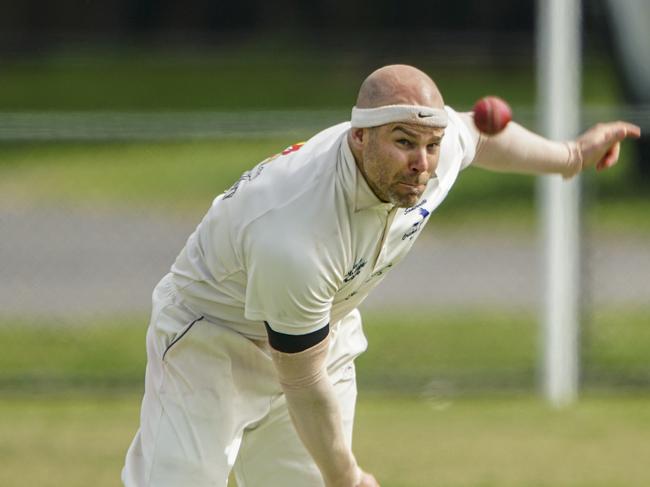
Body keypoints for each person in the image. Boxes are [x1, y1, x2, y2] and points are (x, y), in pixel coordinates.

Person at [122, 64, 640, 487]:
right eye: (403, 142)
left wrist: (571, 156)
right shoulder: (296, 232)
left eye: (431, 145)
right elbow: (299, 378)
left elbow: (478, 136)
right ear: (358, 138)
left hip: (320, 331)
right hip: (212, 340)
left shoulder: (431, 154)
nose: (421, 163)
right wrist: (346, 476)